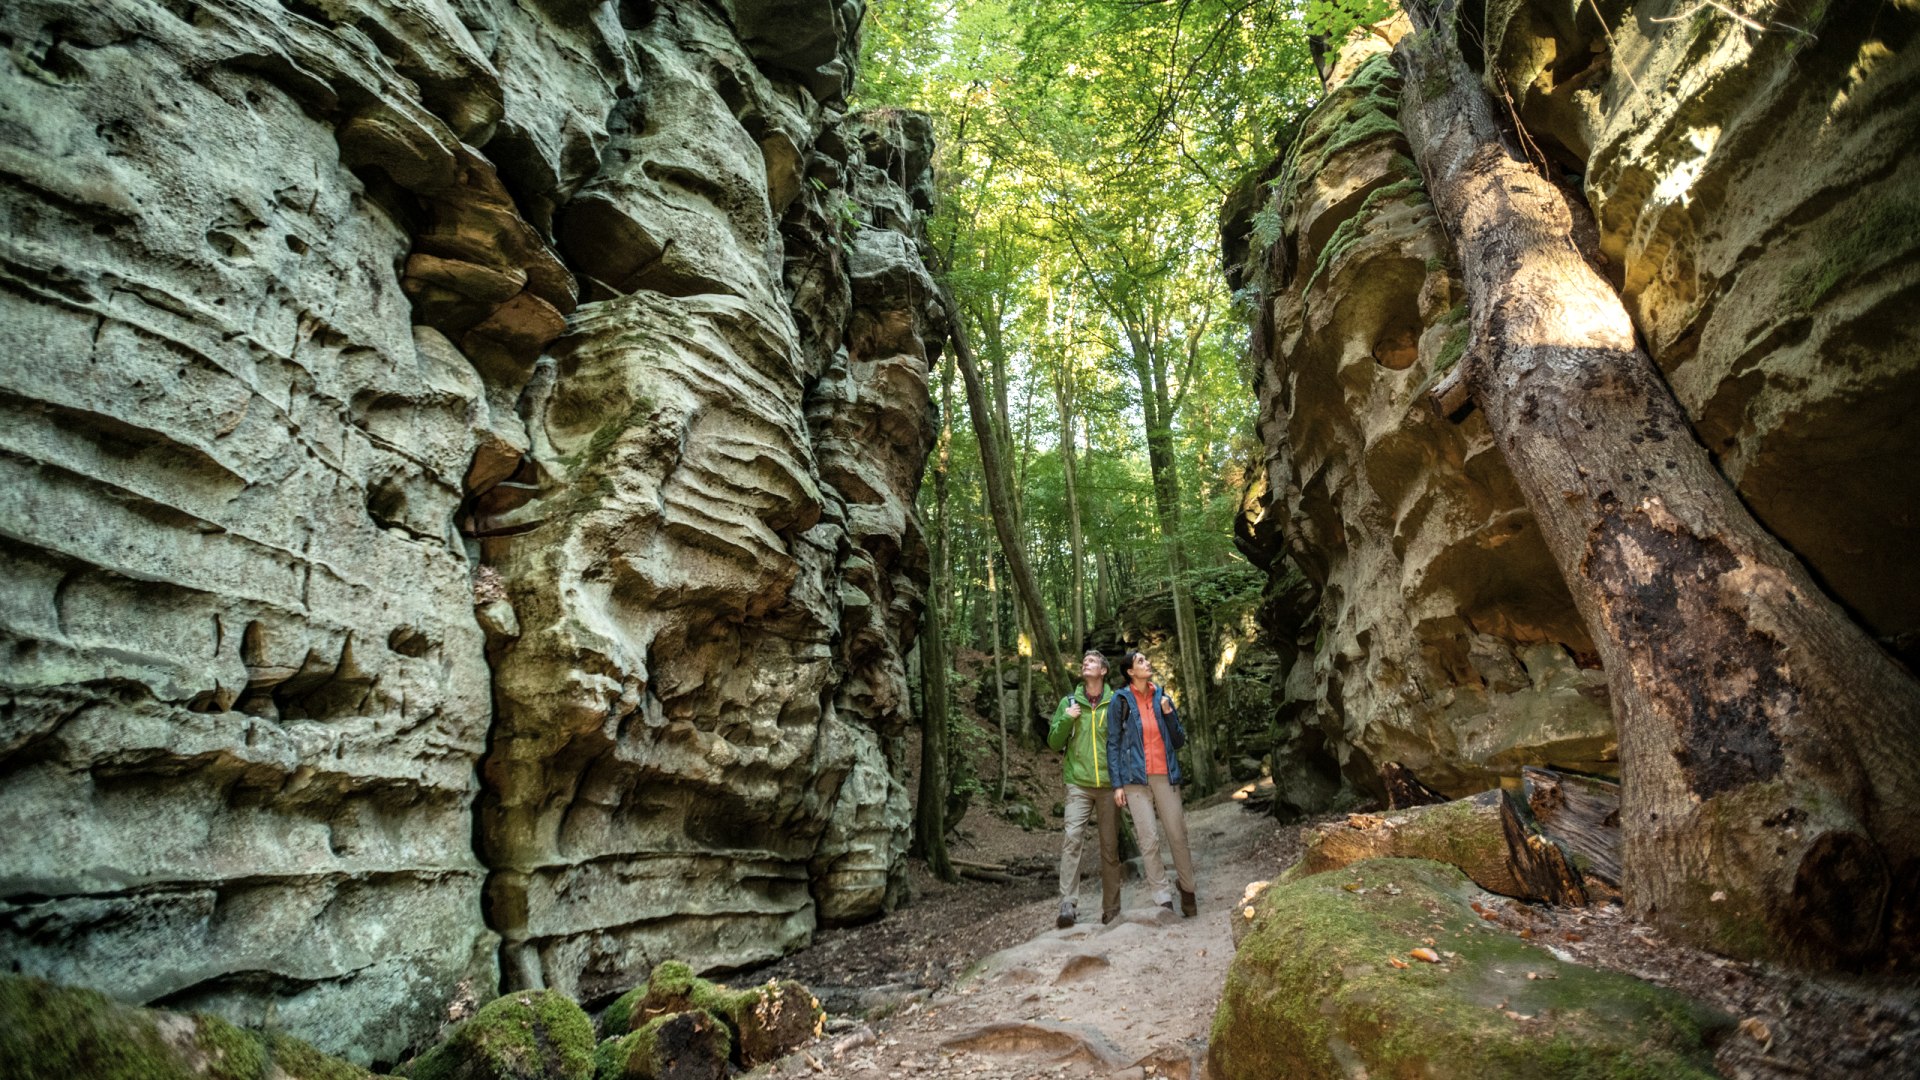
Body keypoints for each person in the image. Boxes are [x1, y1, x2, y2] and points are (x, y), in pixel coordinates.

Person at [1106, 650, 1197, 916]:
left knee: (1178, 835)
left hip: (1165, 776)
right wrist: (1117, 785)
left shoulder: (1162, 697)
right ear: (1130, 672)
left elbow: (1179, 741)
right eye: (1141, 661)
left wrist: (1169, 714)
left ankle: (1188, 889)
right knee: (1149, 840)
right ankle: (1162, 897)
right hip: (1134, 780)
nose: (1147, 664)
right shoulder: (1120, 701)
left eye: (1146, 660)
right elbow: (1112, 743)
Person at [1046, 650, 1121, 929]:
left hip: (1108, 785)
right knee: (1072, 838)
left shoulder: (1115, 702)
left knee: (1109, 847)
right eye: (1084, 661)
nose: (1085, 664)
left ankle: (1112, 906)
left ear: (1103, 671)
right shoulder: (1069, 702)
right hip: (1078, 783)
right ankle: (1068, 903)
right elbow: (1053, 743)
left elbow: (1122, 742)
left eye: (1092, 661)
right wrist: (1067, 719)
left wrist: (1121, 782)